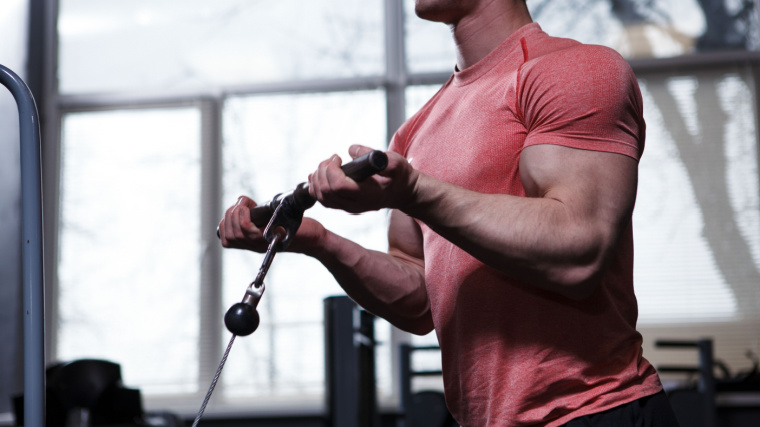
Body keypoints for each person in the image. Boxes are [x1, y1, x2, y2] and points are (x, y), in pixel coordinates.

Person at [220, 0, 680, 425]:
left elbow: (579, 248)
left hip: (596, 410)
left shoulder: (574, 71)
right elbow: (421, 299)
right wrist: (317, 241)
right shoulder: (417, 130)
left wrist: (416, 192)